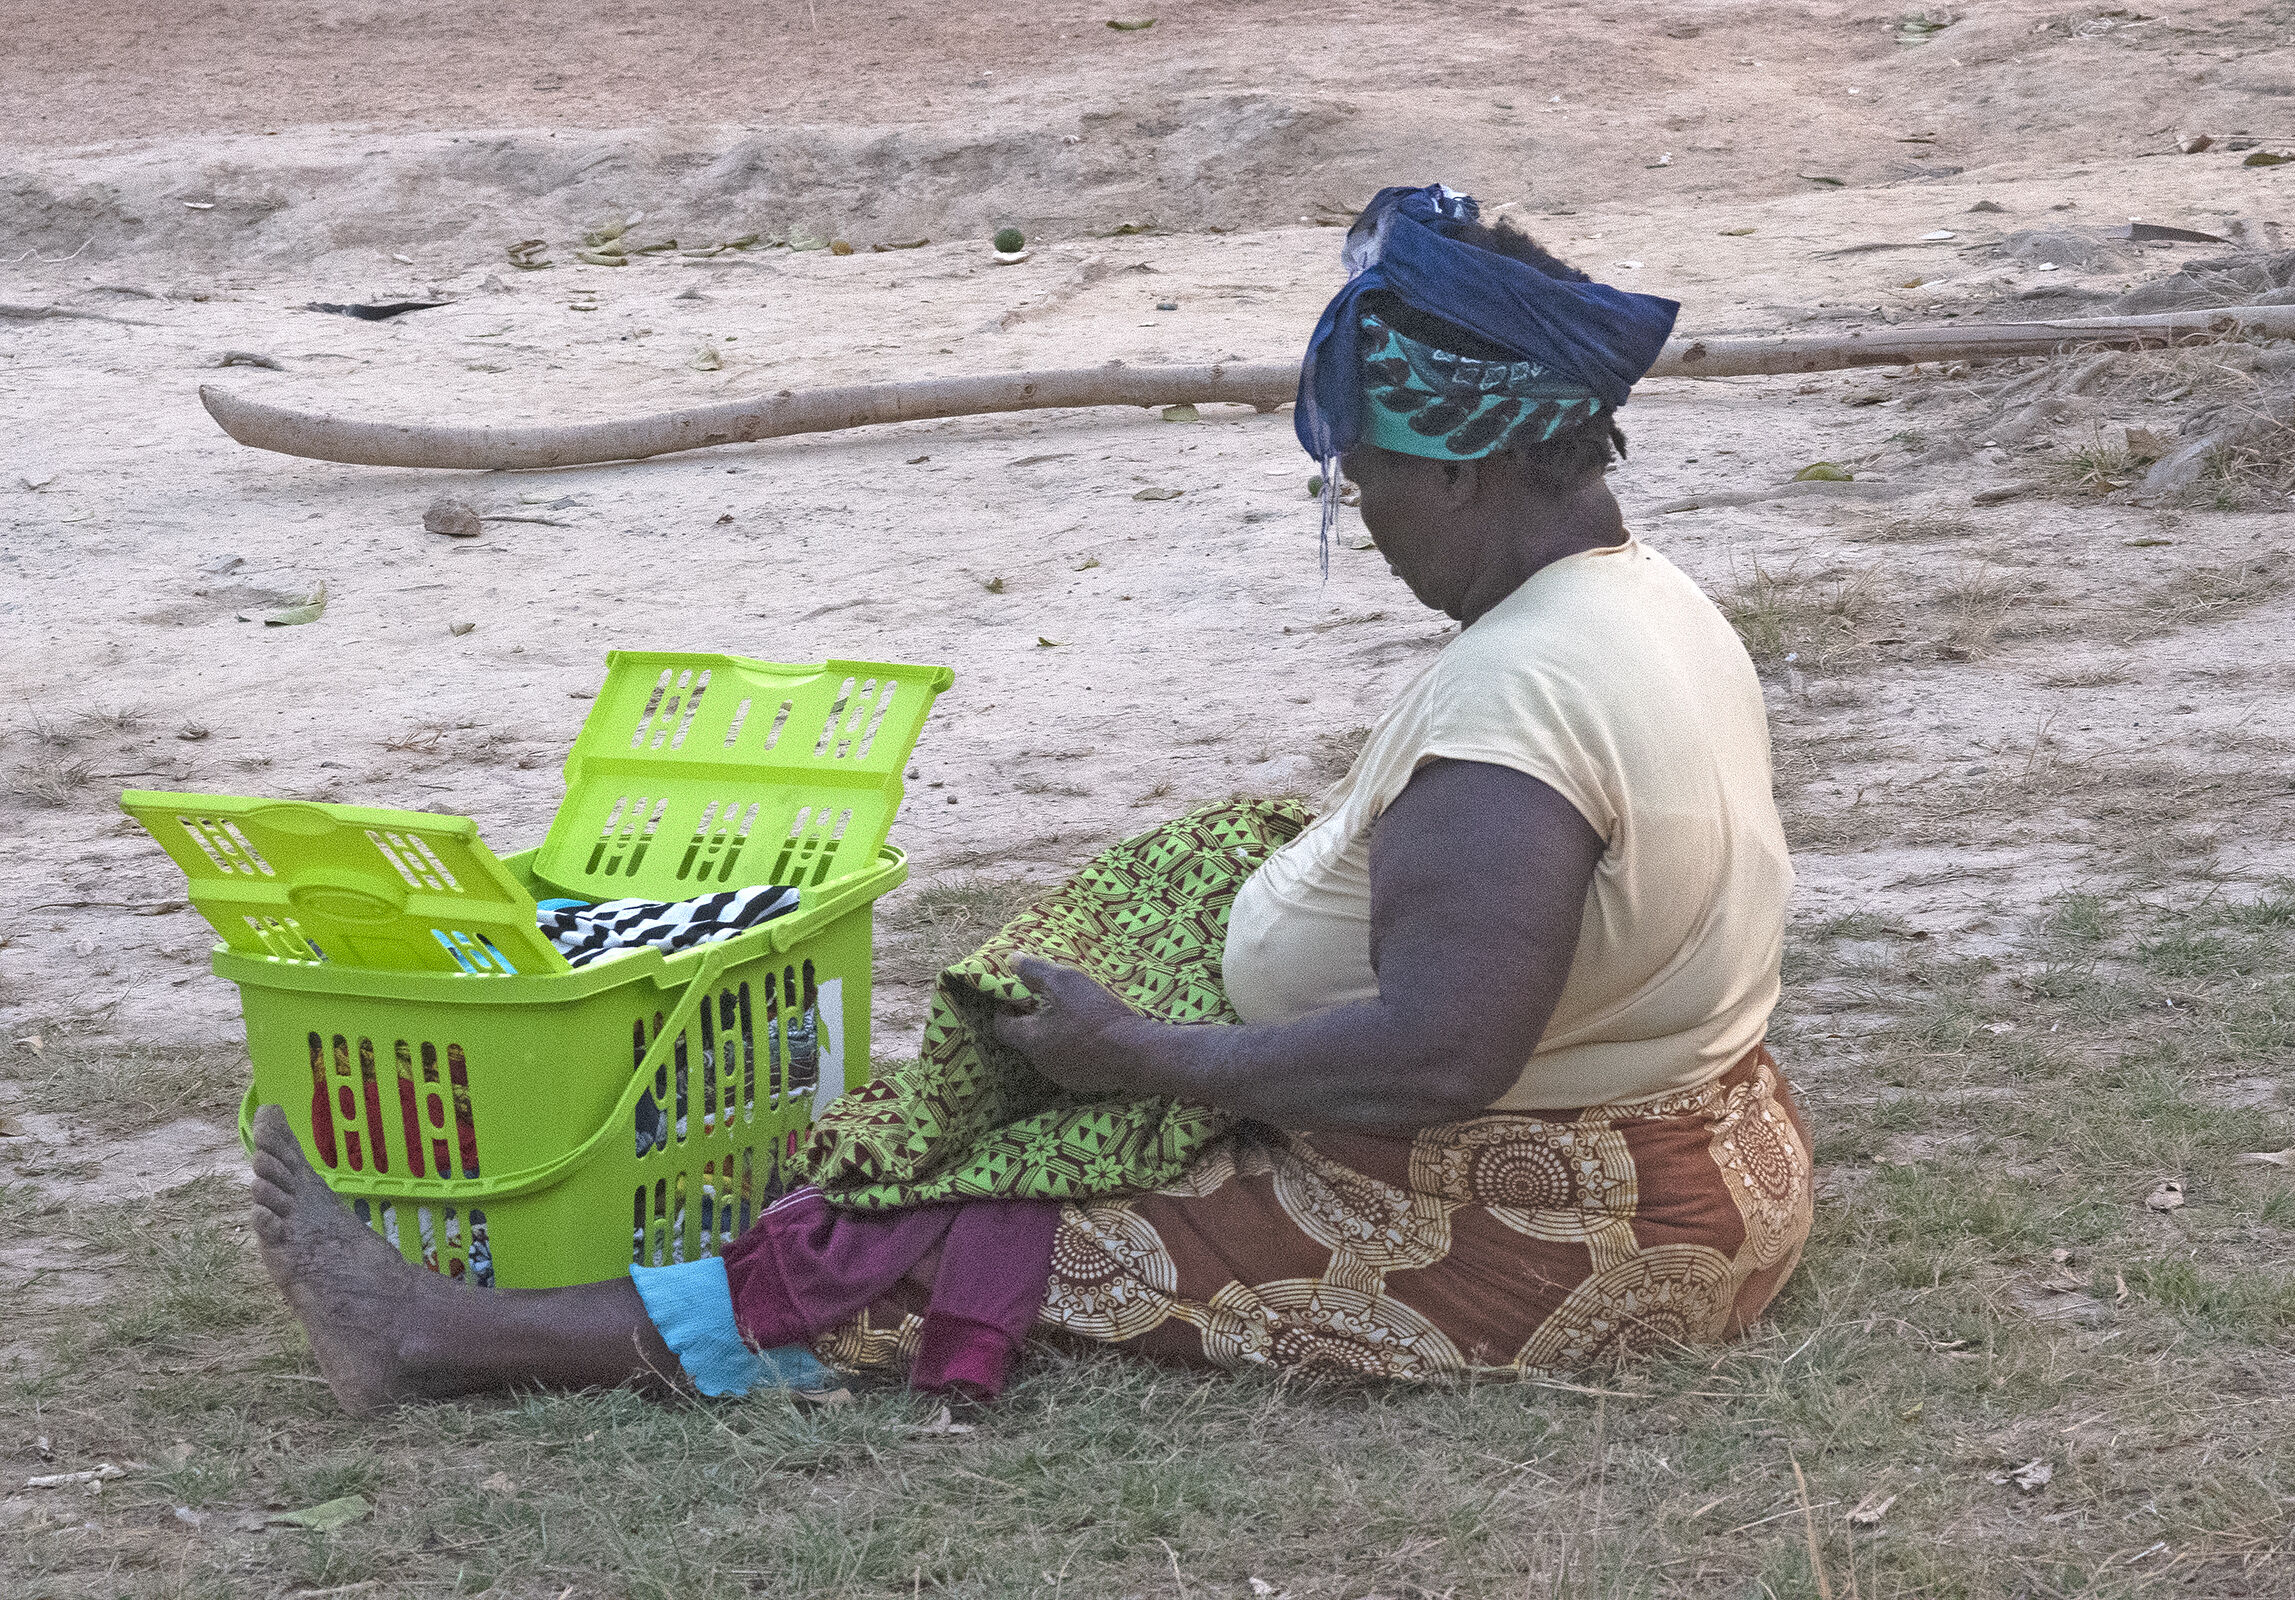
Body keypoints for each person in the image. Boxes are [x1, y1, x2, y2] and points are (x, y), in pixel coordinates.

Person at [247, 184, 1810, 1412]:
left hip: (1536, 1232)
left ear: (1462, 469)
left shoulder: (1520, 711)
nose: (1363, 515)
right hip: (1704, 1163)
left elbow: (1441, 1054)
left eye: (1367, 482)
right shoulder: (1642, 598)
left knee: (958, 1233)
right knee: (1058, 1064)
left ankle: (439, 1336)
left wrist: (1144, 1056)